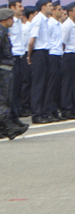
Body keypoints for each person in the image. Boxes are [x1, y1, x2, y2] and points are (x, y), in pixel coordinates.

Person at [25, 0, 55, 124]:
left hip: (45, 52)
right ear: (43, 7)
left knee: (44, 84)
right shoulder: (38, 20)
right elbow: (32, 41)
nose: (51, 7)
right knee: (38, 84)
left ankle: (42, 112)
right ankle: (36, 114)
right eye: (49, 5)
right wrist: (30, 56)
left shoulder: (46, 20)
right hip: (38, 53)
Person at [0, 8, 28, 139]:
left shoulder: (4, 32)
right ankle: (8, 128)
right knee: (2, 100)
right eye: (10, 19)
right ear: (4, 20)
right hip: (2, 70)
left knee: (6, 99)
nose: (13, 21)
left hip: (6, 69)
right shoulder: (0, 33)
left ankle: (5, 126)